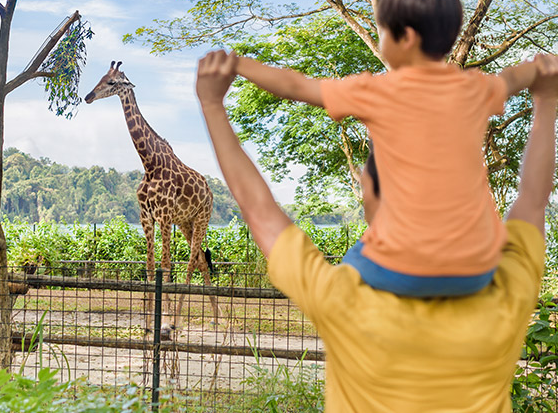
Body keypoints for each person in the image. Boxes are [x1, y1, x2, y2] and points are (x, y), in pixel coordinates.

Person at [196, 48, 557, 411]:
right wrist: (547, 100)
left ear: (371, 191)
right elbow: (533, 200)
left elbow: (259, 210)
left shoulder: (346, 298)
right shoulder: (504, 291)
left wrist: (212, 105)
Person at [233, 0, 556, 297]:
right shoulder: (477, 88)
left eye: (382, 31)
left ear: (407, 38)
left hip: (401, 270)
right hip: (476, 268)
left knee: (349, 266)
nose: (380, 38)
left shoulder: (377, 90)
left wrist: (238, 64)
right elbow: (515, 76)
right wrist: (542, 66)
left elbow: (295, 86)